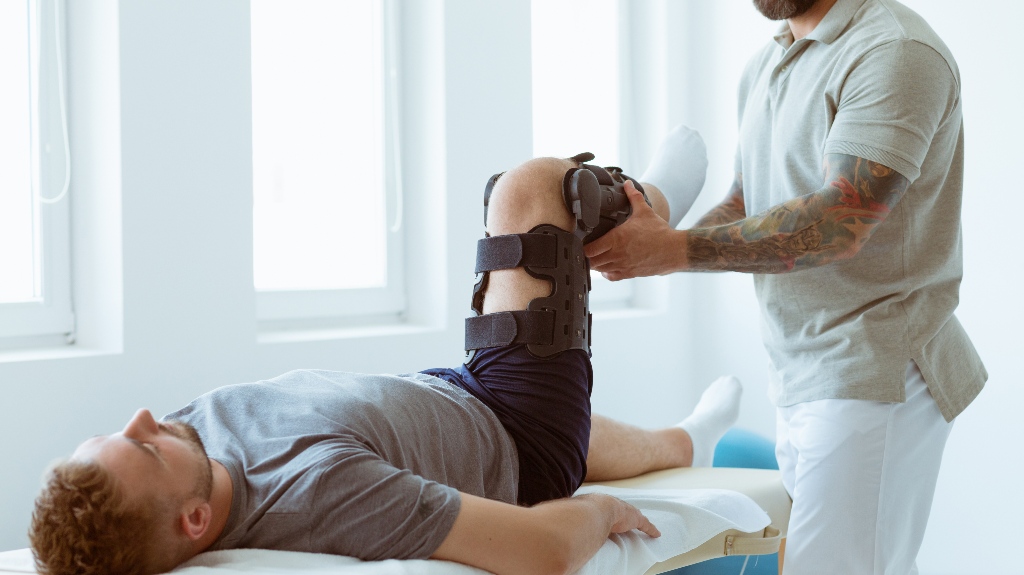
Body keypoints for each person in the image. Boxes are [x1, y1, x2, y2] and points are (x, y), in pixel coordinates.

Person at [29, 134, 732, 575]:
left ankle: (688, 440)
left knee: (610, 432)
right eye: (144, 448)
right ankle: (654, 207)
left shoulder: (185, 450)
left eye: (117, 432)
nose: (144, 418)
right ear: (193, 523)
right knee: (526, 193)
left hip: (456, 398)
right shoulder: (320, 491)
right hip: (519, 433)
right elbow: (540, 552)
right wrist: (601, 514)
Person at [584, 1, 987, 574]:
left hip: (877, 366)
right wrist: (653, 244)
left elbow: (841, 218)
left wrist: (670, 250)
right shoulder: (768, 64)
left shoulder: (894, 51)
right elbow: (747, 203)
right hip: (804, 367)